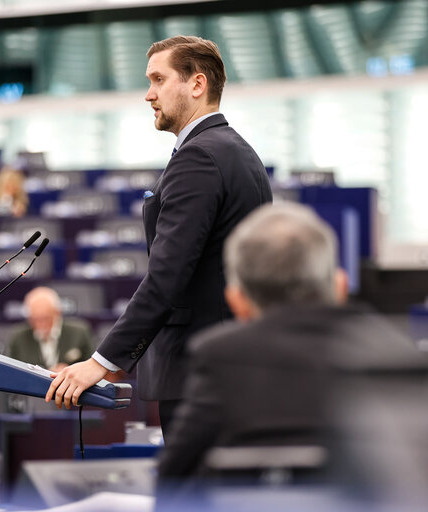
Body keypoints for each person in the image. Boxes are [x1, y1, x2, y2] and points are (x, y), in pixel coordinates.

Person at [45, 35, 273, 440]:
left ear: (197, 84)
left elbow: (167, 276)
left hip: (200, 372)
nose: (148, 94)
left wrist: (101, 361)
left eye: (158, 79)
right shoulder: (238, 151)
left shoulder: (199, 156)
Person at [156, 202, 419, 483]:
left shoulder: (220, 356)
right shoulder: (396, 350)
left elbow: (173, 476)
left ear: (238, 302)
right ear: (340, 286)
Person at [9, 287, 95, 372]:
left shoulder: (78, 333)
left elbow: (92, 367)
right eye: (35, 319)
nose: (41, 324)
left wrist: (69, 371)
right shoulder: (19, 337)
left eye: (46, 318)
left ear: (57, 313)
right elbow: (11, 372)